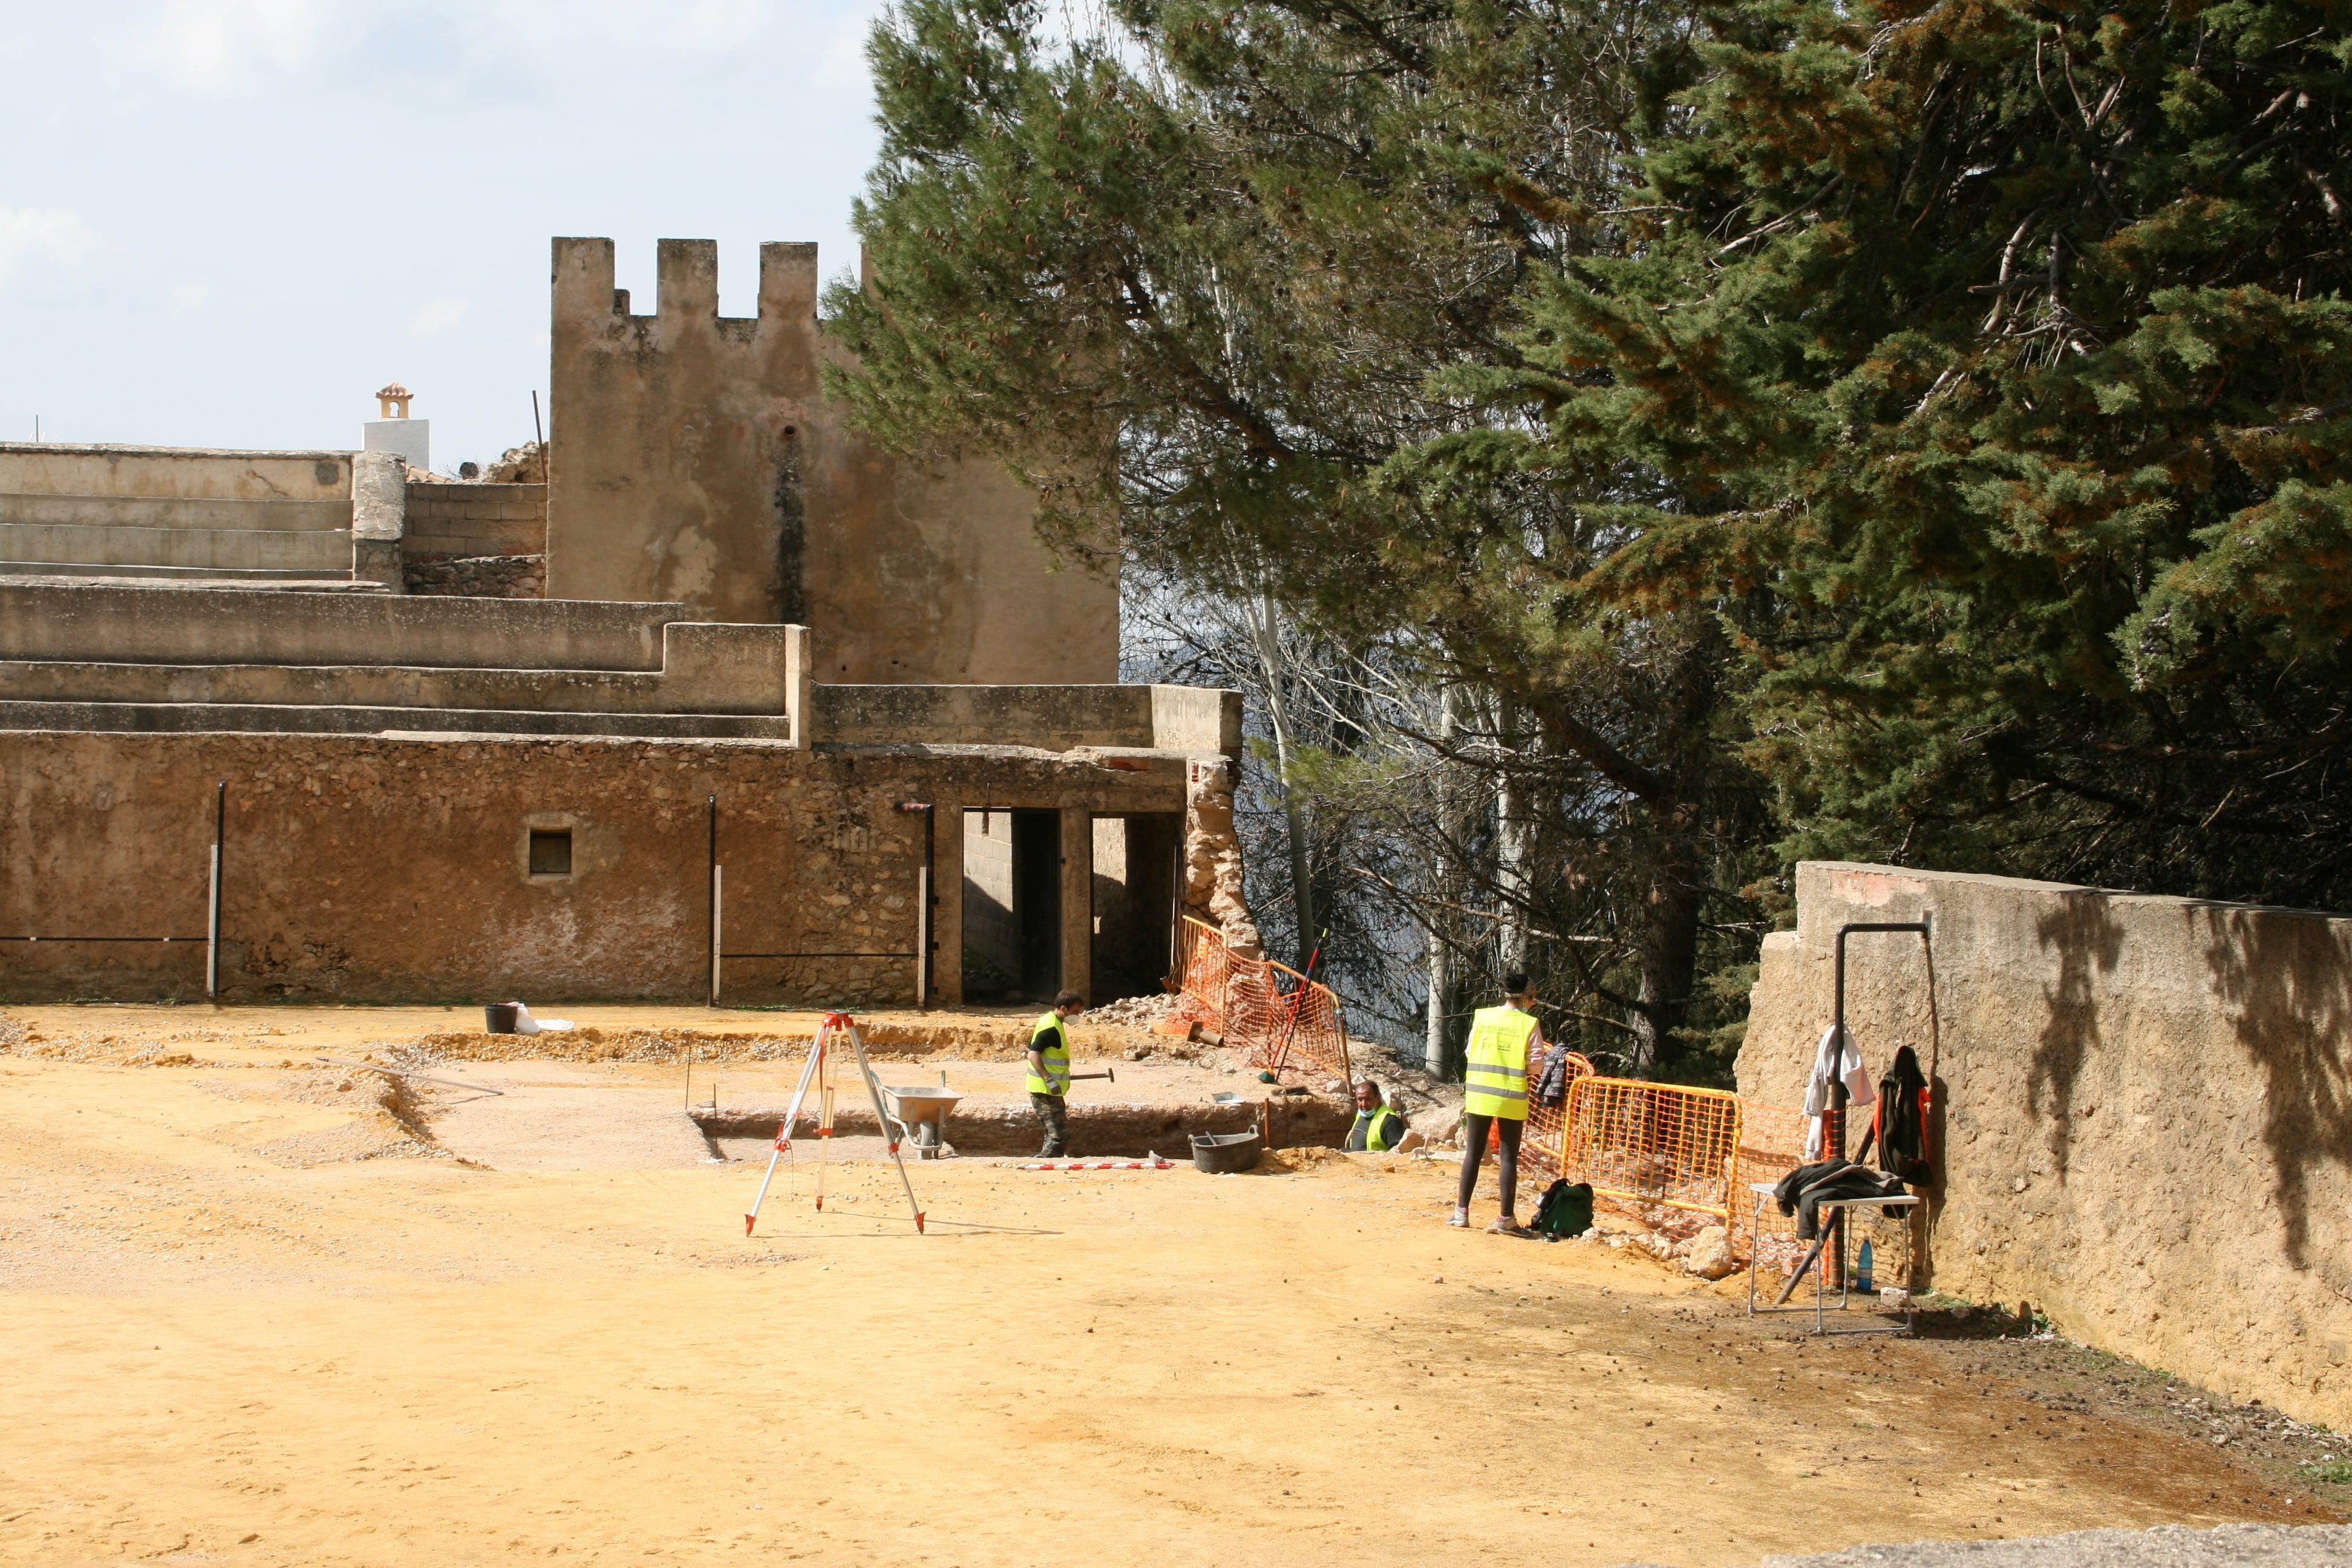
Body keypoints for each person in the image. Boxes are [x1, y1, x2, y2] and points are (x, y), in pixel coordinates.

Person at [1454, 972, 1543, 1233]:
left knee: (1473, 1153)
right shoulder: (1528, 1024)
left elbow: (1470, 1051)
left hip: (1480, 1093)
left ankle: (1461, 1213)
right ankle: (1506, 1219)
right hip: (1510, 1094)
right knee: (1508, 1159)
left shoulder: (1483, 1016)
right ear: (1528, 997)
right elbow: (1536, 1063)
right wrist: (1520, 1069)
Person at [1026, 989, 1085, 1158]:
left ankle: (1046, 1161)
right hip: (1045, 1090)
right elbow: (1032, 1054)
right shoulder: (1051, 1027)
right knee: (1059, 1136)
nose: (1077, 1016)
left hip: (1047, 1090)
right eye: (1075, 1012)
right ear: (1064, 1009)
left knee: (1052, 1133)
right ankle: (1047, 1164)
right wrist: (1049, 1079)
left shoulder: (1049, 1020)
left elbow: (1031, 1047)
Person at [1344, 1079, 1409, 1152]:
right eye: (1360, 1100)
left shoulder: (1389, 1121)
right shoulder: (1361, 1114)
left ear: (1378, 1098)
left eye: (1368, 1099)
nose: (1364, 1104)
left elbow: (1397, 1153)